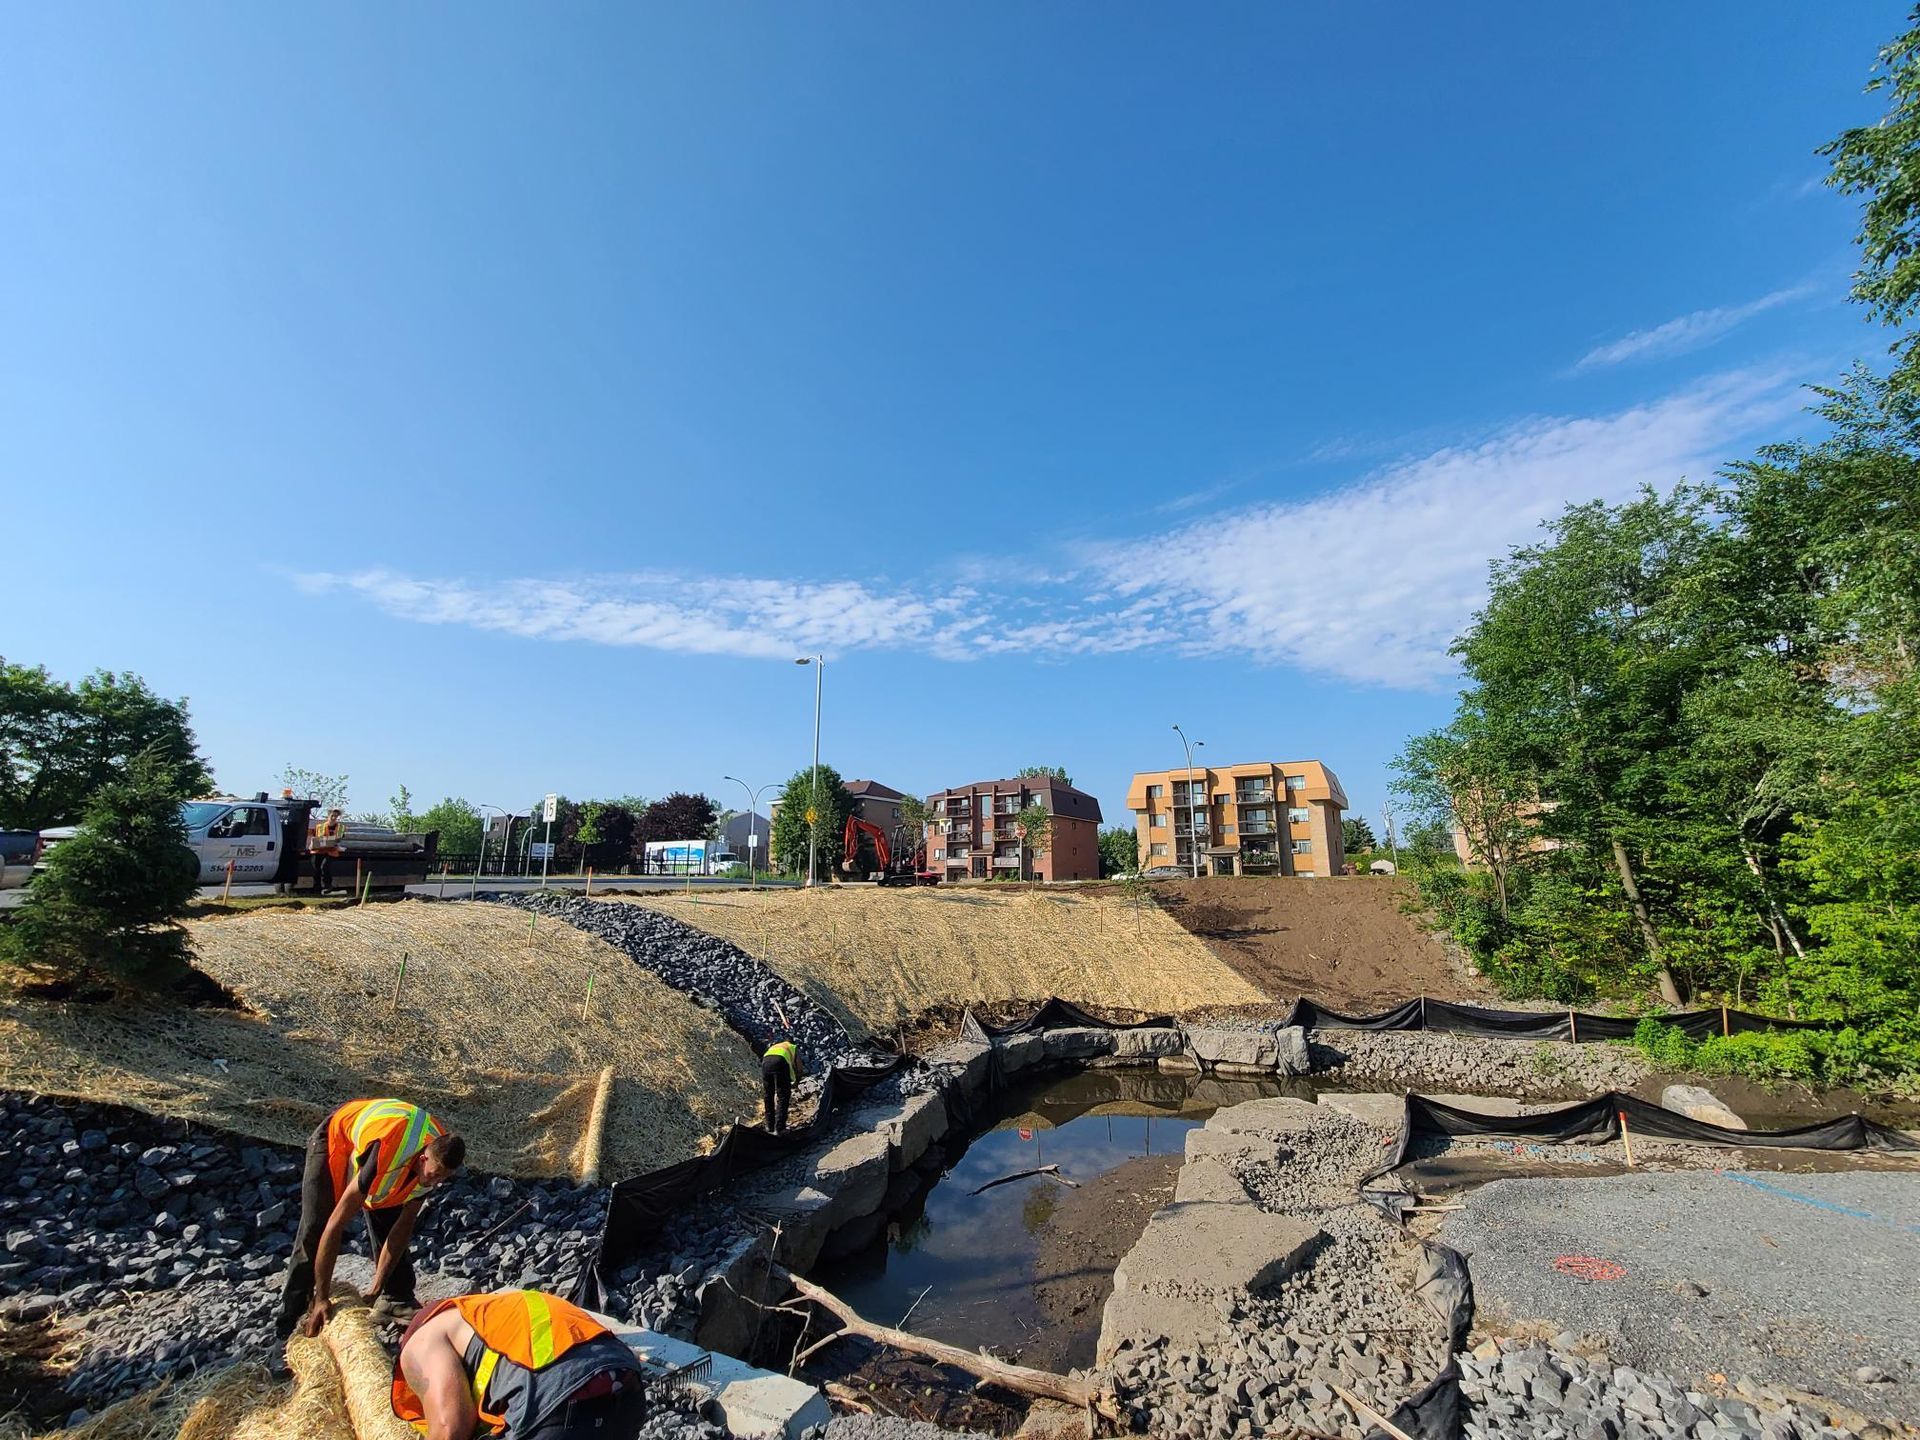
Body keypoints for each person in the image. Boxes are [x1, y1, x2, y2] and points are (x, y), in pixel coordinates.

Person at [276, 1098, 466, 1340]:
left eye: (443, 1178)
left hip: (395, 1156)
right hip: (337, 1135)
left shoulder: (435, 1162)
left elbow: (403, 1226)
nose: (435, 1182)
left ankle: (394, 1299)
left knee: (390, 1209)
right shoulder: (388, 1153)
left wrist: (375, 1287)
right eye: (434, 1175)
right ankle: (289, 1323)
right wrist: (323, 1297)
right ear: (422, 1160)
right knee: (317, 1224)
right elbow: (336, 1224)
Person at [392, 1288, 646, 1440]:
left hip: (557, 1401)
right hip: (626, 1389)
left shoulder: (422, 1340)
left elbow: (450, 1429)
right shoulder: (497, 1313)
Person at [761, 1037, 800, 1136]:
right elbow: (799, 1065)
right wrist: (798, 1078)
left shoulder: (775, 1046)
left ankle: (769, 1126)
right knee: (783, 1095)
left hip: (765, 1062)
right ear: (791, 1042)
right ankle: (780, 1128)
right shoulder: (792, 1047)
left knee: (768, 1095)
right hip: (779, 1062)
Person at [309, 807, 346, 894]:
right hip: (318, 851)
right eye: (332, 816)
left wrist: (329, 840)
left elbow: (338, 839)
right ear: (328, 815)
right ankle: (316, 889)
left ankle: (327, 886)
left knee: (325, 867)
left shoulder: (341, 828)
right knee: (316, 870)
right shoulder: (319, 827)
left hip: (331, 851)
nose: (334, 818)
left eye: (336, 816)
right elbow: (315, 838)